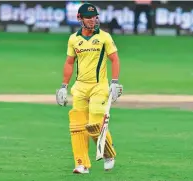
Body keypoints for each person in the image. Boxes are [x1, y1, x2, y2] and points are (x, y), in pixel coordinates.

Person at [56, 3, 123, 174]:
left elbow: (114, 59)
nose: (92, 20)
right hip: (79, 87)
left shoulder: (104, 37)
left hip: (99, 86)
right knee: (77, 126)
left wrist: (114, 82)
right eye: (88, 17)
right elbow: (69, 63)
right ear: (80, 18)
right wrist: (63, 86)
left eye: (94, 17)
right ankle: (81, 164)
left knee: (94, 124)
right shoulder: (73, 39)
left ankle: (108, 153)